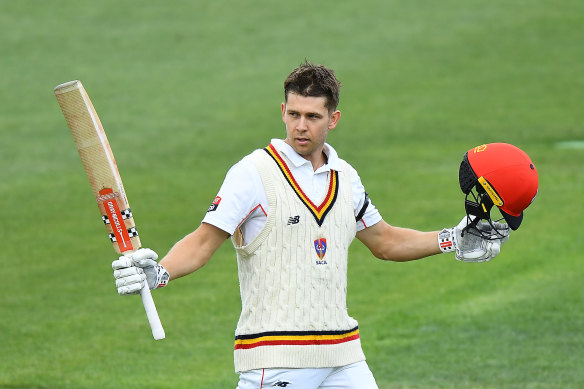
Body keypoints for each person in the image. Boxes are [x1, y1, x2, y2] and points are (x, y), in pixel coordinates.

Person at [112, 61, 512, 389]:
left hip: (343, 355)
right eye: (294, 114)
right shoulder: (252, 173)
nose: (301, 126)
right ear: (282, 112)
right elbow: (203, 242)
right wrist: (160, 273)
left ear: (333, 119)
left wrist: (452, 239)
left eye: (313, 117)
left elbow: (385, 241)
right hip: (277, 357)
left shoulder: (346, 177)